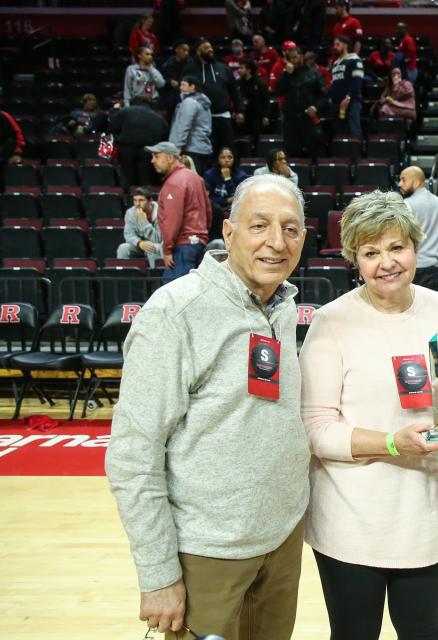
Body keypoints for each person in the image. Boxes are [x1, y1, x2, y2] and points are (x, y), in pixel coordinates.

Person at [105, 173, 309, 639]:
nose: (276, 242)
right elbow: (133, 455)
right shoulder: (175, 313)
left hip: (281, 544)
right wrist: (158, 575)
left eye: (290, 228)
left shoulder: (281, 306)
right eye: (259, 226)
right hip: (207, 553)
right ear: (229, 233)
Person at [300, 190, 438, 640]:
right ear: (354, 260)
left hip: (421, 513)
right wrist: (390, 442)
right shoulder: (331, 321)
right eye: (370, 252)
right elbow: (316, 429)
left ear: (415, 246)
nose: (386, 262)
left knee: (424, 631)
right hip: (349, 520)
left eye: (396, 247)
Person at [147, 141, 213, 282]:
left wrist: (167, 249)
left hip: (182, 246)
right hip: (197, 243)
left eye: (157, 156)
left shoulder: (174, 182)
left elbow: (172, 220)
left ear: (170, 158)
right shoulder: (195, 177)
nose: (152, 161)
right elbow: (208, 211)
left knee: (175, 296)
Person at [183, 38, 241, 158]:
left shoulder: (223, 68)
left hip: (223, 115)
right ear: (198, 52)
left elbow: (234, 90)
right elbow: (184, 92)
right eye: (206, 48)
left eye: (210, 47)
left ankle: (231, 175)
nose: (210, 50)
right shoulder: (190, 69)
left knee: (229, 149)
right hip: (201, 118)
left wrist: (239, 110)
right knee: (206, 151)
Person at [398, 166, 438, 290]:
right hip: (432, 267)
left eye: (403, 180)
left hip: (411, 267)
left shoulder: (407, 204)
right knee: (429, 308)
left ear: (416, 182)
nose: (400, 184)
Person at [274, 46, 329, 160]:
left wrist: (315, 107)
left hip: (308, 119)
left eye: (295, 57)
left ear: (302, 57)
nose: (293, 60)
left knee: (313, 151)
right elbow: (278, 91)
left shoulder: (314, 73)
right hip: (290, 120)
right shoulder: (287, 75)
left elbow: (323, 95)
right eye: (291, 58)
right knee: (292, 152)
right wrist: (286, 74)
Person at [109, 95, 168, 190]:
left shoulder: (125, 111)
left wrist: (114, 110)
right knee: (145, 179)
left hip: (126, 149)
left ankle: (127, 199)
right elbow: (164, 132)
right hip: (148, 151)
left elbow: (112, 125)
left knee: (127, 177)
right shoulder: (157, 116)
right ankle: (146, 201)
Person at [168, 76, 213, 175]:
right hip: (202, 147)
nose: (180, 88)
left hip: (190, 148)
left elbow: (184, 126)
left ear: (192, 87)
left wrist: (178, 147)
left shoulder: (189, 102)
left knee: (191, 180)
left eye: (183, 85)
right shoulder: (202, 102)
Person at [204, 146, 248, 239]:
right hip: (214, 209)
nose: (226, 160)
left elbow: (238, 198)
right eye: (223, 157)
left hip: (233, 209)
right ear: (218, 159)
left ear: (234, 159)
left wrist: (228, 179)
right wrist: (227, 200)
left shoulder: (241, 175)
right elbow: (207, 198)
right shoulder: (209, 174)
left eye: (229, 157)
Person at [117, 187, 164, 267]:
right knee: (123, 248)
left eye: (141, 200)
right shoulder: (131, 213)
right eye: (135, 200)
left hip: (158, 245)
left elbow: (158, 239)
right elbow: (129, 235)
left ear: (150, 201)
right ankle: (124, 277)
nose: (137, 204)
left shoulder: (161, 212)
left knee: (151, 247)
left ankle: (156, 277)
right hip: (140, 245)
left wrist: (143, 222)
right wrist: (140, 243)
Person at [329, 35, 364, 136]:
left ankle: (357, 151)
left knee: (354, 129)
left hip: (352, 101)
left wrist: (348, 97)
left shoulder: (354, 59)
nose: (334, 46)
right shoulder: (335, 63)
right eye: (334, 44)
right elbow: (334, 82)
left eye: (337, 44)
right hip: (336, 103)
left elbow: (357, 81)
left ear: (345, 45)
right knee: (339, 131)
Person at [236, 59, 271, 139]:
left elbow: (265, 100)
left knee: (256, 132)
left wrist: (266, 116)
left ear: (248, 70)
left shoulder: (260, 83)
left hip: (256, 116)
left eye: (241, 68)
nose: (239, 70)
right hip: (243, 114)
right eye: (239, 68)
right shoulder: (238, 83)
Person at [160, 39, 191, 114]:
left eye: (187, 51)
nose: (186, 53)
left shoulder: (190, 65)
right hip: (171, 99)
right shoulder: (167, 65)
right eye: (184, 50)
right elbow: (160, 82)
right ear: (177, 49)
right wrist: (169, 82)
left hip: (186, 97)